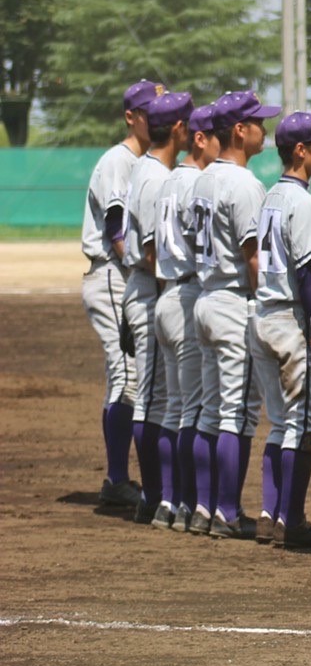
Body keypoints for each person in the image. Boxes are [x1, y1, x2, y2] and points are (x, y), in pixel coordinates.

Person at [252, 111, 311, 549]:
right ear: (300, 151)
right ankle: (292, 519)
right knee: (305, 424)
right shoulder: (306, 204)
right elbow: (310, 276)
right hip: (291, 318)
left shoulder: (270, 195)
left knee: (278, 423)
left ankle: (269, 516)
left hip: (263, 316)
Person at [190, 90, 277, 538]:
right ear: (239, 130)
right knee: (235, 414)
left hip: (205, 299)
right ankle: (226, 511)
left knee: (210, 412)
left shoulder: (201, 177)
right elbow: (254, 258)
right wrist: (267, 307)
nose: (267, 128)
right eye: (259, 121)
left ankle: (204, 508)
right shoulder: (244, 184)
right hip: (231, 303)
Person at [82, 80, 156, 508]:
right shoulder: (119, 160)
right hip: (112, 274)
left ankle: (120, 478)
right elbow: (115, 228)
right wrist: (140, 267)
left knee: (126, 377)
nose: (155, 118)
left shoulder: (145, 161)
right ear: (131, 116)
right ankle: (115, 481)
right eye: (148, 112)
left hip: (122, 275)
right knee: (128, 376)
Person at [122, 90, 190, 523]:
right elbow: (151, 251)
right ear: (179, 129)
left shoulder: (153, 170)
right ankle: (153, 496)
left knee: (161, 399)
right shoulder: (152, 177)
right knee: (152, 399)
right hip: (149, 290)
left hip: (149, 291)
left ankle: (159, 495)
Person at [151, 101, 218, 531]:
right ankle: (188, 503)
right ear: (198, 138)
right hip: (190, 292)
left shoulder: (168, 180)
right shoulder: (197, 182)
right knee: (193, 409)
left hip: (164, 296)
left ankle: (167, 502)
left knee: (175, 407)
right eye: (216, 136)